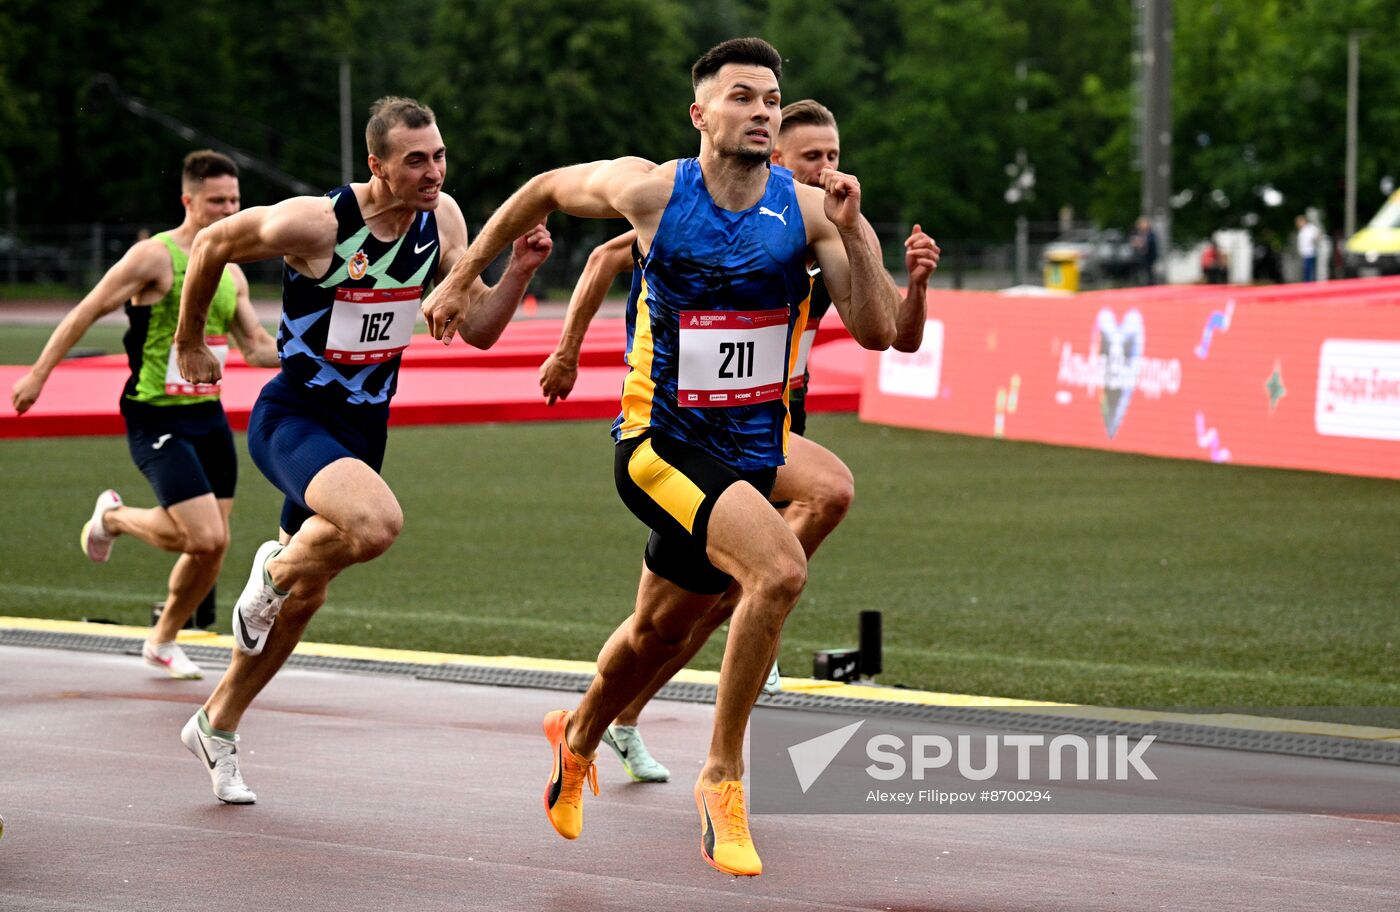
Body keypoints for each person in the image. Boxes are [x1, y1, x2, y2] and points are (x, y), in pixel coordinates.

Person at [424, 38, 904, 877]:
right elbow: (541, 189)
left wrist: (858, 233)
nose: (760, 111)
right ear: (701, 114)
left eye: (770, 99)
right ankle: (722, 776)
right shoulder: (652, 190)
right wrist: (465, 275)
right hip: (661, 447)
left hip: (750, 448)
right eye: (742, 97)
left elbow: (878, 332)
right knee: (778, 571)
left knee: (658, 630)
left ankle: (576, 737)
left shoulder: (809, 210)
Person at [537, 98, 938, 785]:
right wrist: (568, 350)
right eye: (812, 157)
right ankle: (634, 709)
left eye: (835, 155)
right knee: (673, 614)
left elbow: (896, 335)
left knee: (686, 608)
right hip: (685, 427)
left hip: (772, 419)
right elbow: (607, 256)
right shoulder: (715, 213)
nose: (828, 168)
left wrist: (919, 285)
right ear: (777, 159)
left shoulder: (833, 228)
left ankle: (643, 691)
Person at [172, 97, 552, 804]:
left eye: (439, 155)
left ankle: (217, 722)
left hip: (363, 431)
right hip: (295, 417)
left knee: (304, 601)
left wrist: (521, 270)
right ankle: (275, 568)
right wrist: (191, 339)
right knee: (375, 525)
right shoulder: (319, 222)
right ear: (377, 165)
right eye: (416, 160)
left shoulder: (443, 220)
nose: (433, 170)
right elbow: (211, 244)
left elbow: (477, 330)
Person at [10, 150, 278, 680]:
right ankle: (111, 518)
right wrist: (39, 373)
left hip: (208, 417)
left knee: (214, 548)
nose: (228, 209)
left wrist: (318, 349)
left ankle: (161, 641)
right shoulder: (153, 258)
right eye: (216, 201)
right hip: (155, 415)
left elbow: (256, 346)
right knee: (202, 538)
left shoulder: (231, 272)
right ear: (188, 201)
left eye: (235, 200)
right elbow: (87, 309)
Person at [1131, 216, 1158, 286]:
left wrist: (1143, 242)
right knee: (1139, 272)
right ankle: (1139, 284)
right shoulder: (1136, 233)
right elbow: (1133, 243)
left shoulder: (1151, 234)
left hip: (1149, 257)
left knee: (1150, 272)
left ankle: (1150, 284)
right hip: (1139, 257)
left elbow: (1152, 244)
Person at [1296, 213, 1321, 282]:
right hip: (1304, 253)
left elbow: (1318, 235)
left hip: (1310, 252)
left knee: (1310, 269)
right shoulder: (1302, 230)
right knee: (1306, 269)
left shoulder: (1310, 228)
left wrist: (1314, 241)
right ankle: (1307, 282)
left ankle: (1311, 282)